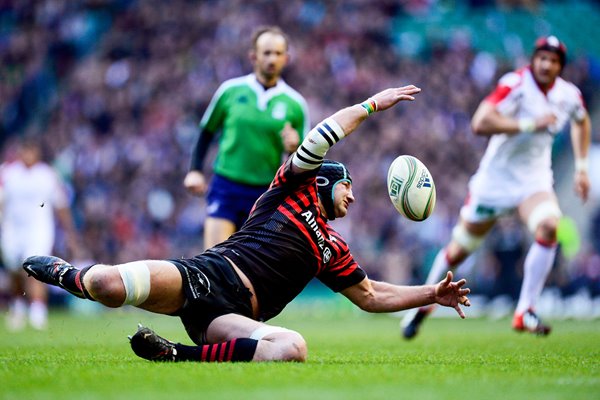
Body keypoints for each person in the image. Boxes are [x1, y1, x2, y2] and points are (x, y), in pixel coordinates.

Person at [24, 85, 471, 363]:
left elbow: (372, 297)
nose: (353, 196)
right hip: (205, 276)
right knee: (106, 286)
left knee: (292, 348)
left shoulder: (332, 248)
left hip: (231, 317)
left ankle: (178, 355)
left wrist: (432, 293)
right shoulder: (290, 187)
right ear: (325, 181)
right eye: (347, 186)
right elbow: (322, 134)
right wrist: (372, 105)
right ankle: (68, 274)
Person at [402, 36, 591, 339]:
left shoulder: (569, 95)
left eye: (553, 60)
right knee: (458, 250)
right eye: (542, 57)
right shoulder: (515, 85)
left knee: (549, 227)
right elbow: (480, 122)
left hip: (534, 180)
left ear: (560, 66)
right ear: (533, 60)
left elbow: (582, 121)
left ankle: (525, 310)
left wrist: (581, 166)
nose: (546, 64)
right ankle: (421, 307)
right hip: (495, 181)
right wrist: (529, 124)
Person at [183, 25, 309, 250]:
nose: (272, 59)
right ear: (254, 56)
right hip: (226, 185)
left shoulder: (295, 104)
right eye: (267, 52)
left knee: (255, 266)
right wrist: (194, 170)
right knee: (216, 259)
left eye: (278, 53)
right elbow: (206, 132)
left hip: (267, 193)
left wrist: (293, 148)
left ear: (286, 58)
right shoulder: (230, 91)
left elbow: (302, 161)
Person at [1, 137, 78, 330]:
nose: (27, 155)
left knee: (36, 269)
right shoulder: (8, 173)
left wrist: (70, 232)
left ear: (37, 153)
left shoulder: (47, 175)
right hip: (12, 229)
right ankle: (18, 307)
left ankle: (38, 312)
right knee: (14, 270)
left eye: (31, 151)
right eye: (24, 151)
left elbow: (61, 204)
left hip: (38, 230)